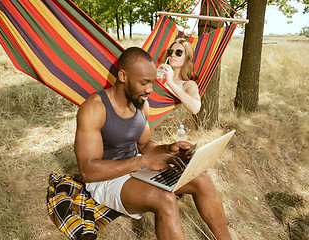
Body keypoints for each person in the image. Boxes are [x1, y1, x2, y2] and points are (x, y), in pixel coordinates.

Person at [74, 47, 231, 240]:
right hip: (106, 180)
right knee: (164, 199)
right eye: (144, 83)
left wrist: (169, 148)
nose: (150, 89)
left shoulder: (141, 103)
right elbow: (88, 171)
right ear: (123, 76)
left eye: (152, 82)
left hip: (136, 167)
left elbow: (146, 145)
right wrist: (143, 162)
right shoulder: (94, 108)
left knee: (202, 178)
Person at [157, 38, 201, 115]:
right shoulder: (159, 76)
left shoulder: (188, 84)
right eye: (170, 52)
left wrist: (170, 82)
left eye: (178, 53)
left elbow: (195, 108)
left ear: (187, 58)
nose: (173, 55)